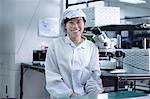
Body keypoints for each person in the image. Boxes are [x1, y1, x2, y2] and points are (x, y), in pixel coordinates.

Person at [45, 8, 104, 98]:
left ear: (84, 24)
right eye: (71, 22)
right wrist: (70, 95)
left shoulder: (91, 47)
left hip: (84, 96)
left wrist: (92, 94)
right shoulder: (55, 45)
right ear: (65, 25)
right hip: (62, 97)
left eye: (79, 22)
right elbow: (52, 76)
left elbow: (94, 76)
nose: (75, 26)